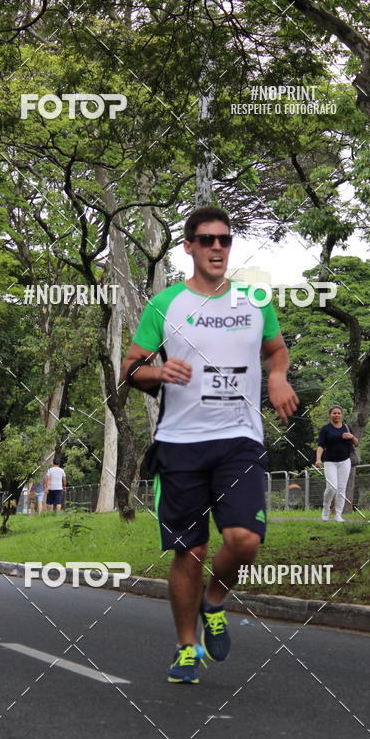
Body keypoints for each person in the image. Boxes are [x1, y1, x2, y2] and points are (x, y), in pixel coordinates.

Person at [121, 206, 299, 684]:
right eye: (206, 240)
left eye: (224, 239)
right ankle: (186, 647)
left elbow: (276, 348)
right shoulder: (165, 305)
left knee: (244, 540)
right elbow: (131, 367)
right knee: (191, 550)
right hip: (180, 443)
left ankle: (214, 600)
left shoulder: (254, 300)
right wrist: (157, 371)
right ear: (189, 247)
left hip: (239, 438)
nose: (217, 247)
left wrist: (278, 377)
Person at [315, 406, 359, 522]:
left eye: (339, 413)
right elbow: (320, 445)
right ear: (330, 415)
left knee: (341, 488)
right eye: (334, 413)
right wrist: (318, 459)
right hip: (330, 462)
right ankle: (326, 510)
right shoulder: (326, 429)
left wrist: (351, 437)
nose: (337, 415)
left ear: (342, 415)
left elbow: (356, 443)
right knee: (331, 487)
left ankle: (338, 515)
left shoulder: (347, 427)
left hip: (345, 461)